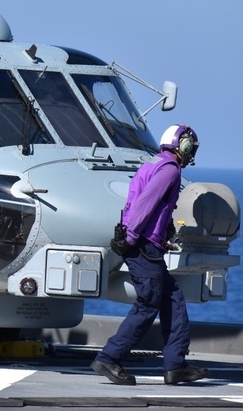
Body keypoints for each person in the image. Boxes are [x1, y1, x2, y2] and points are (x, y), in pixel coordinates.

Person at [90, 124, 210, 386]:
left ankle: (175, 365)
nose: (191, 153)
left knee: (172, 298)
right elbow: (146, 203)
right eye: (190, 147)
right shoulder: (169, 170)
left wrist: (162, 228)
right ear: (183, 145)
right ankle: (109, 357)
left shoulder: (156, 163)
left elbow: (151, 205)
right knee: (148, 304)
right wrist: (131, 237)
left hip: (143, 242)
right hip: (143, 244)